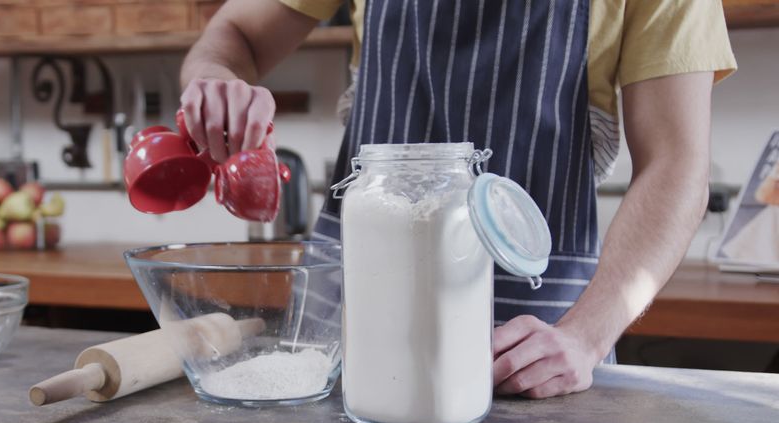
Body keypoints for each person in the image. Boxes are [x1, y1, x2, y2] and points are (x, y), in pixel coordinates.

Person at [178, 0, 737, 399]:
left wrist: (586, 337)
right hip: (345, 334)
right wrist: (212, 77)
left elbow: (675, 165)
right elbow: (236, 35)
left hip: (527, 342)